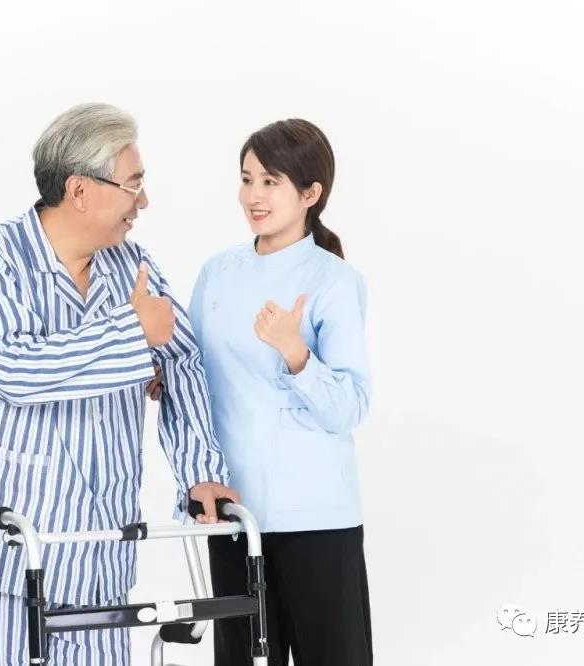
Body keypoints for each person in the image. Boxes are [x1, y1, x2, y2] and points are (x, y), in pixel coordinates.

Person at [0, 102, 238, 665]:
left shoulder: (131, 265)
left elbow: (183, 361)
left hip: (99, 557)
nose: (143, 202)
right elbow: (13, 368)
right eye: (133, 184)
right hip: (3, 557)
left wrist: (200, 470)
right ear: (79, 190)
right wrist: (131, 337)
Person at [150, 118, 373, 665]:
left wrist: (296, 353)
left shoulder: (334, 281)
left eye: (271, 181)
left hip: (316, 518)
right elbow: (194, 372)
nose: (254, 195)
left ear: (311, 193)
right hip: (233, 512)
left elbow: (349, 407)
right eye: (247, 179)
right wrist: (159, 376)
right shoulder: (217, 272)